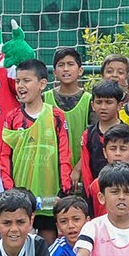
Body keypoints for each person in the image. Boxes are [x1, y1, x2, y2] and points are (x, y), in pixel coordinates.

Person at [0, 59, 72, 239]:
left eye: (26, 80)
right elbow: (5, 157)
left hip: (50, 196)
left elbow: (64, 155)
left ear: (42, 84)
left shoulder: (56, 116)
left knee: (47, 244)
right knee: (21, 241)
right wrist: (11, 191)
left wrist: (64, 191)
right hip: (21, 196)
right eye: (18, 81)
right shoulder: (12, 118)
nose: (20, 86)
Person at [44, 47, 91, 178]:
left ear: (80, 70)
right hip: (51, 171)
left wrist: (78, 169)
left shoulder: (90, 101)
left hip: (81, 172)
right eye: (61, 65)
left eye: (70, 64)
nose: (65, 69)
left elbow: (94, 140)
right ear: (54, 72)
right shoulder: (44, 99)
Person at [79, 80, 125, 194]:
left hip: (122, 191)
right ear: (92, 105)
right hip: (96, 193)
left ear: (119, 105)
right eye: (99, 102)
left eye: (109, 102)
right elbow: (86, 170)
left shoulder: (128, 133)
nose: (103, 107)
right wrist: (91, 193)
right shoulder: (88, 135)